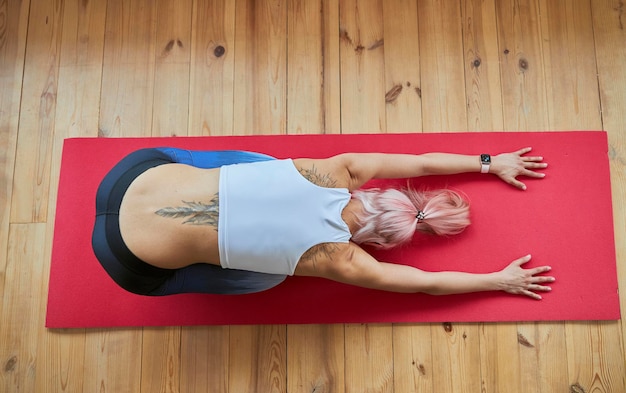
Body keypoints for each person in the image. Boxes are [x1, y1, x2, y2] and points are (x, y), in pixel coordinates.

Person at [92, 146, 555, 299]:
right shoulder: (347, 261)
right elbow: (426, 283)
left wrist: (488, 162)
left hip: (132, 173)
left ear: (381, 194)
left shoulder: (343, 170)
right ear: (382, 243)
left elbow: (419, 164)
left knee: (260, 164)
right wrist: (498, 280)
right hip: (125, 259)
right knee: (265, 278)